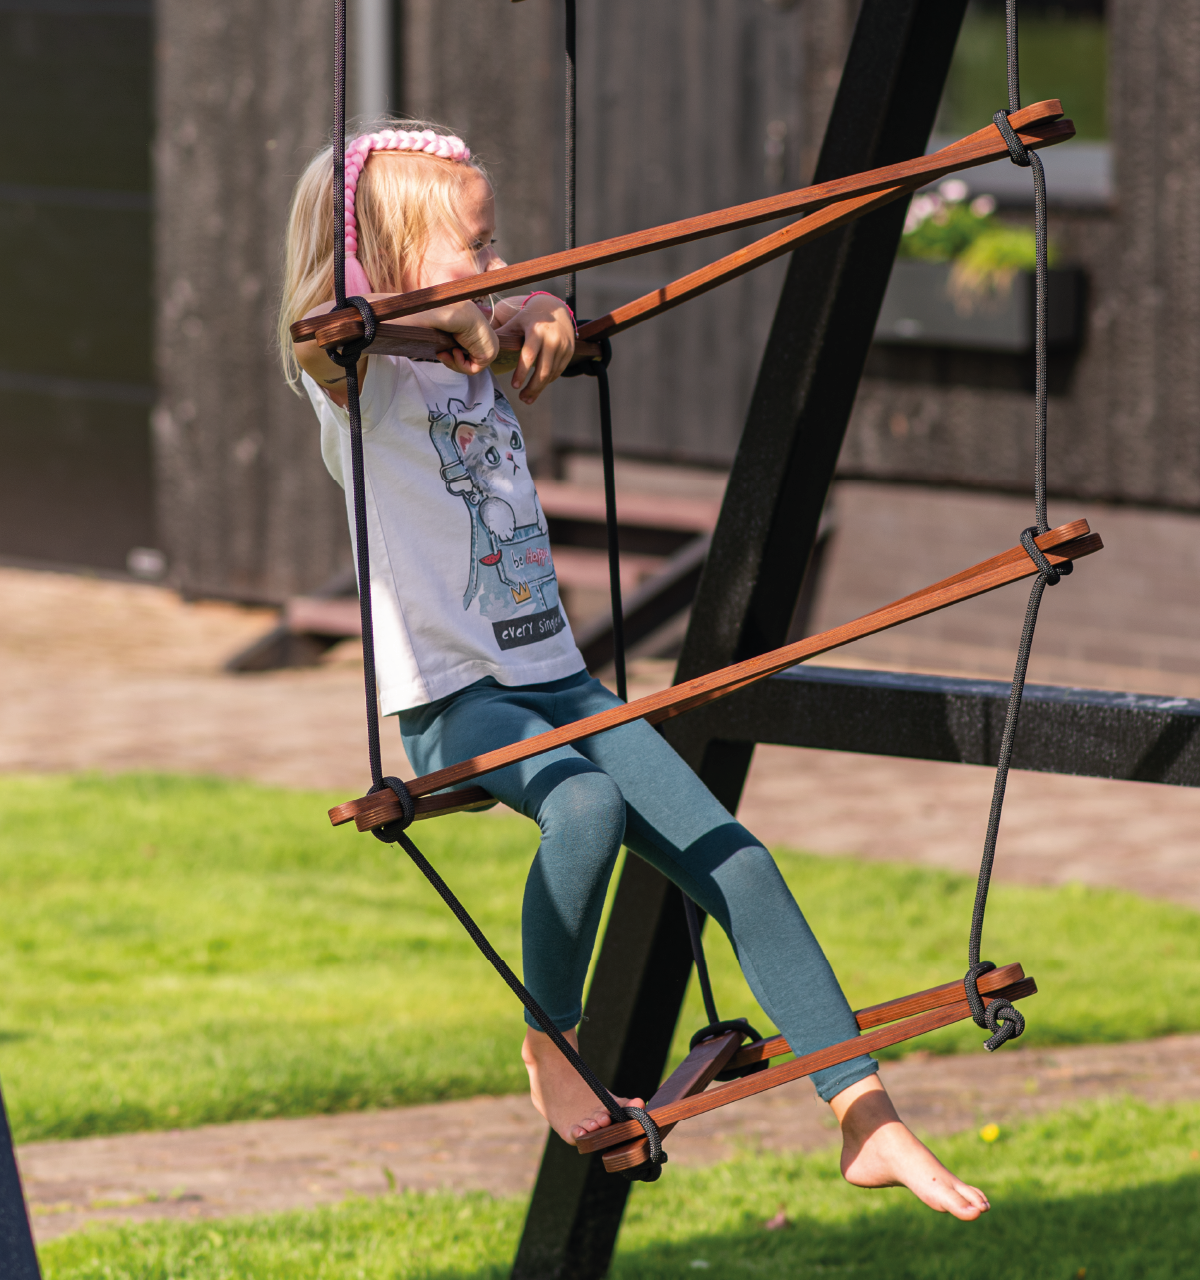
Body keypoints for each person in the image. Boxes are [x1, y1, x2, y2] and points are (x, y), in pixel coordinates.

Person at [281, 123, 990, 1220]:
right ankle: (549, 1040)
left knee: (736, 862)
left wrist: (533, 313)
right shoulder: (360, 384)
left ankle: (864, 1112)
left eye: (497, 241)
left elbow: (518, 320)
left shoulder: (474, 358)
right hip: (454, 701)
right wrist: (456, 311)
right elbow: (321, 339)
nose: (498, 261)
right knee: (585, 810)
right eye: (476, 248)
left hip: (560, 680)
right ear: (386, 263)